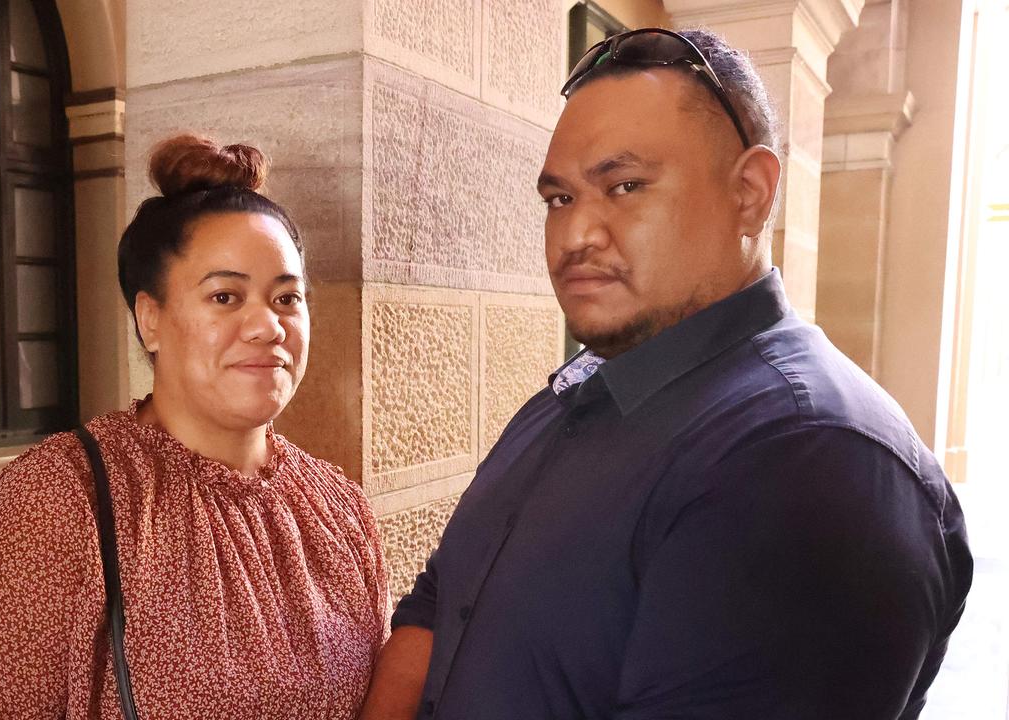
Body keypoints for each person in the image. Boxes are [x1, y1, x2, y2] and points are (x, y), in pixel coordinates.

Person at [359, 28, 972, 720]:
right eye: (559, 198)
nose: (577, 234)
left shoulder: (811, 457)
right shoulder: (579, 389)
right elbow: (442, 599)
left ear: (750, 191)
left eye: (624, 186)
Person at [0, 134, 388, 719]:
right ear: (150, 319)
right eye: (225, 296)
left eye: (287, 298)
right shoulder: (56, 502)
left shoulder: (337, 507)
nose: (267, 326)